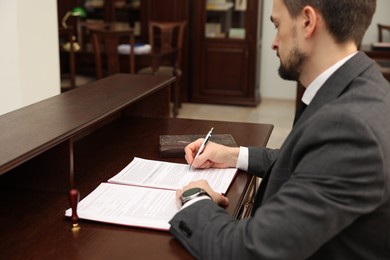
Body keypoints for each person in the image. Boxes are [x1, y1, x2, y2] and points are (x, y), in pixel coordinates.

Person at [169, 0, 390, 259]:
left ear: (307, 22)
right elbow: (310, 162)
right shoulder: (363, 85)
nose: (274, 43)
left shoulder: (350, 128)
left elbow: (247, 251)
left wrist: (195, 198)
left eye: (277, 25)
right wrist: (232, 155)